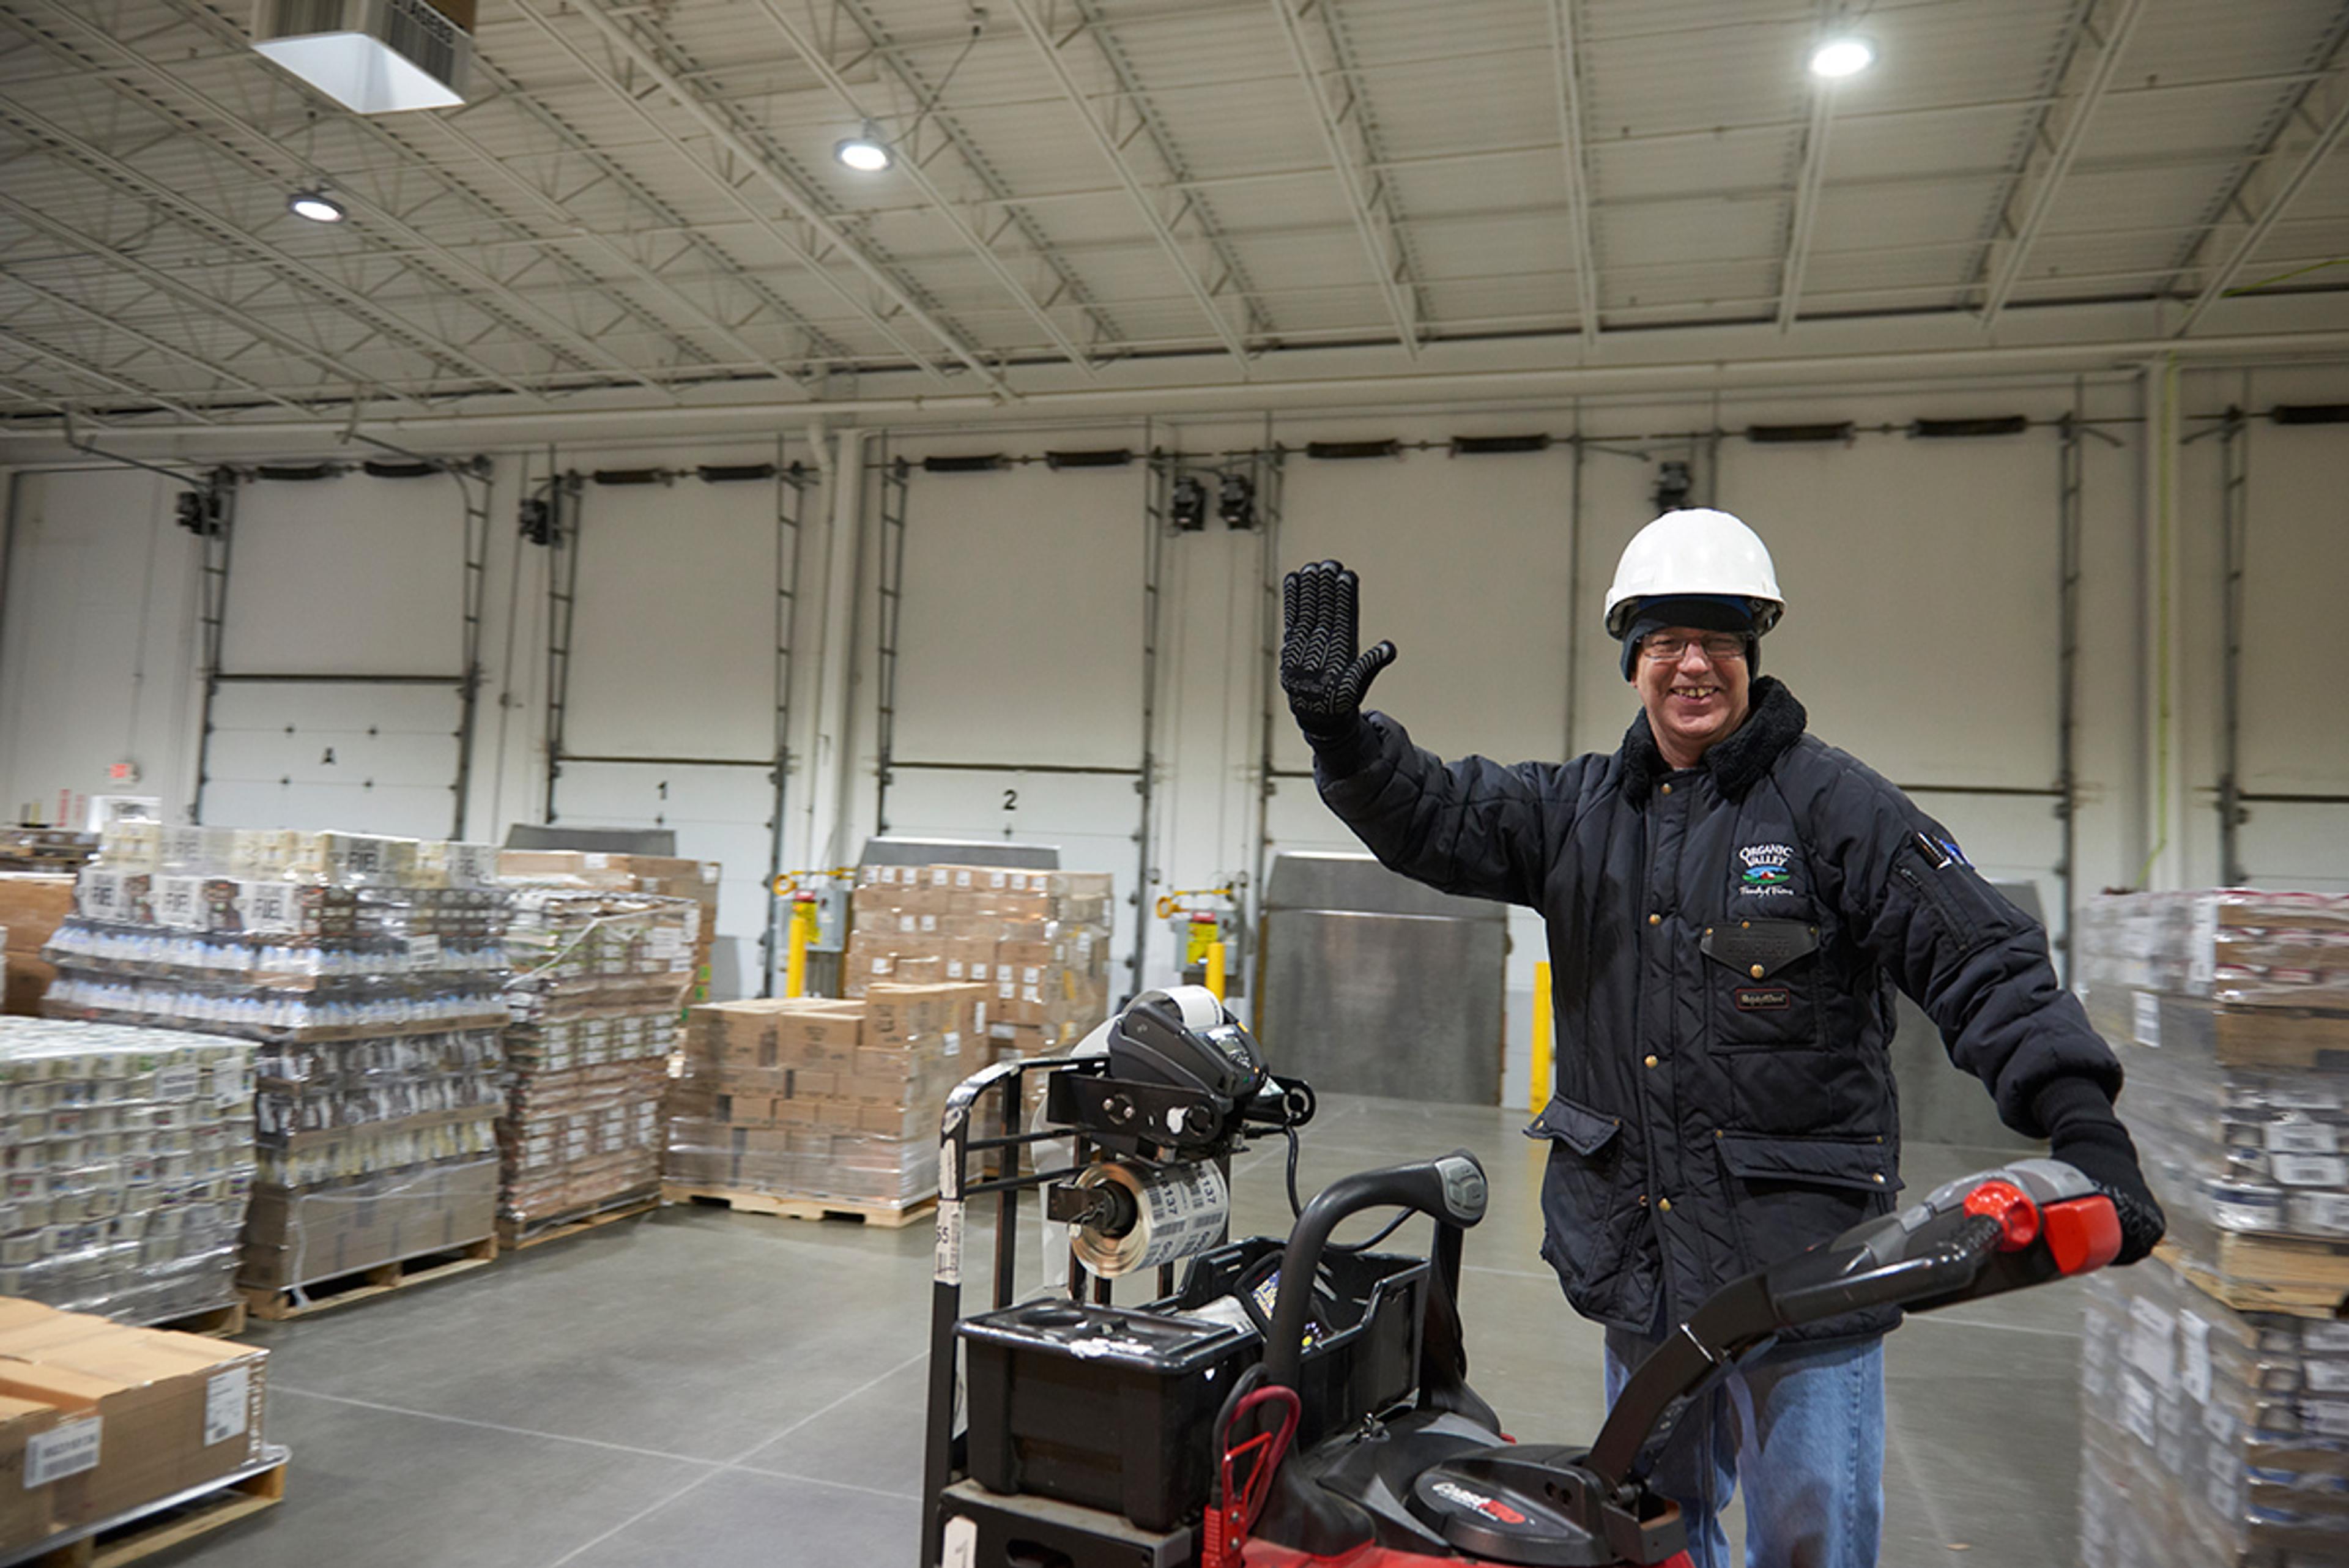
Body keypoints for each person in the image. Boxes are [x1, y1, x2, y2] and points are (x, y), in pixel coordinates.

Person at [1276, 508, 2164, 1568]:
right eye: (1664, 641)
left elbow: (1982, 959)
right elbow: (1443, 813)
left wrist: (2084, 1131)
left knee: (1811, 1541)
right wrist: (1342, 739)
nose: (1692, 664)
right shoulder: (1578, 815)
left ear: (1753, 652)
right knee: (1653, 1534)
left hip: (1802, 1276)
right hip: (1643, 1275)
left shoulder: (1838, 809)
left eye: (1718, 641)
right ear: (1632, 659)